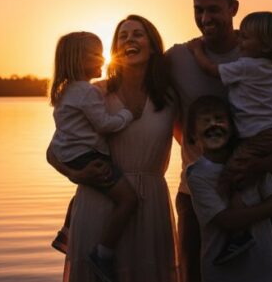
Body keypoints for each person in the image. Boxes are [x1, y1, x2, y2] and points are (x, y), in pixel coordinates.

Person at [167, 0, 272, 282]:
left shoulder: (265, 60)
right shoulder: (178, 57)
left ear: (233, 8)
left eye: (213, 9)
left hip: (257, 193)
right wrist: (200, 152)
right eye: (198, 9)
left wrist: (270, 161)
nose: (205, 17)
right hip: (195, 197)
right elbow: (160, 111)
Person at [48, 15, 180, 282]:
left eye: (137, 34)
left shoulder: (170, 97)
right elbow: (54, 150)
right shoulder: (96, 93)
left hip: (152, 205)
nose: (130, 39)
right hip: (99, 200)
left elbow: (197, 140)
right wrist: (77, 175)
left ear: (153, 45)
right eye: (123, 36)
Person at [187, 11, 272, 260]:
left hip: (257, 137)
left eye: (245, 37)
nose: (240, 41)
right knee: (270, 180)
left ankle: (239, 236)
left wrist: (196, 52)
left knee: (230, 179)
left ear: (264, 44)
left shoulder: (247, 66)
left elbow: (213, 70)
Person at [48, 31, 142, 281]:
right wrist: (128, 115)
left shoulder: (66, 92)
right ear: (79, 60)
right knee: (129, 200)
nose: (103, 58)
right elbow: (103, 124)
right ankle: (103, 252)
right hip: (89, 158)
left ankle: (67, 232)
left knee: (82, 190)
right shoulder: (86, 92)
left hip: (70, 155)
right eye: (96, 54)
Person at [185, 95, 272, 282]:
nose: (213, 125)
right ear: (192, 134)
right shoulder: (196, 175)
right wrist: (254, 212)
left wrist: (242, 214)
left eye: (219, 119)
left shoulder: (252, 162)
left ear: (232, 129)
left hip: (264, 271)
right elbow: (227, 221)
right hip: (223, 275)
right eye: (205, 121)